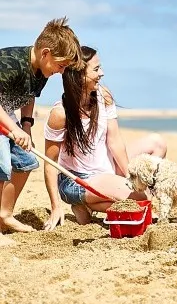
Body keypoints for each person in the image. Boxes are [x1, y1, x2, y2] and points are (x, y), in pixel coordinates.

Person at [43, 46, 167, 230]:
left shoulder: (104, 95)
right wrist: (55, 206)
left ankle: (94, 203)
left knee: (157, 143)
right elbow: (50, 162)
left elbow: (115, 142)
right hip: (79, 179)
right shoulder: (60, 114)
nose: (102, 73)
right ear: (79, 76)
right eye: (95, 69)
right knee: (142, 199)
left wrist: (131, 178)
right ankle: (88, 202)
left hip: (106, 166)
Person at [0, 17, 82, 242]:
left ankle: (4, 214)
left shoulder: (41, 72)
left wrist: (25, 125)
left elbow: (28, 96)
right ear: (45, 53)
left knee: (25, 161)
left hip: (5, 115)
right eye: (60, 65)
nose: (61, 71)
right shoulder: (10, 63)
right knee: (2, 164)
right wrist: (13, 131)